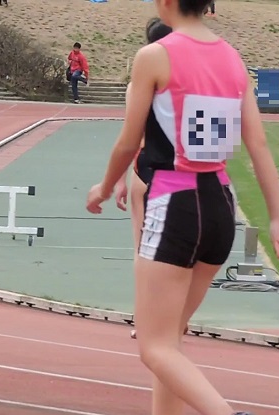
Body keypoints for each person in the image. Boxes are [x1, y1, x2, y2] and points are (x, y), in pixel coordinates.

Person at [85, 0, 279, 415]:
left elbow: (127, 140)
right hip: (220, 205)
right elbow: (259, 145)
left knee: (154, 343)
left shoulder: (155, 56)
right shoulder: (232, 58)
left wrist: (104, 185)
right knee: (170, 341)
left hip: (174, 202)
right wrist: (278, 217)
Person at [116, 18, 173, 340]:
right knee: (178, 254)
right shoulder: (188, 83)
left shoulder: (138, 83)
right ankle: (175, 318)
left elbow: (131, 136)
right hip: (183, 174)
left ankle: (146, 319)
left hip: (145, 168)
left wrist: (117, 180)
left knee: (143, 250)